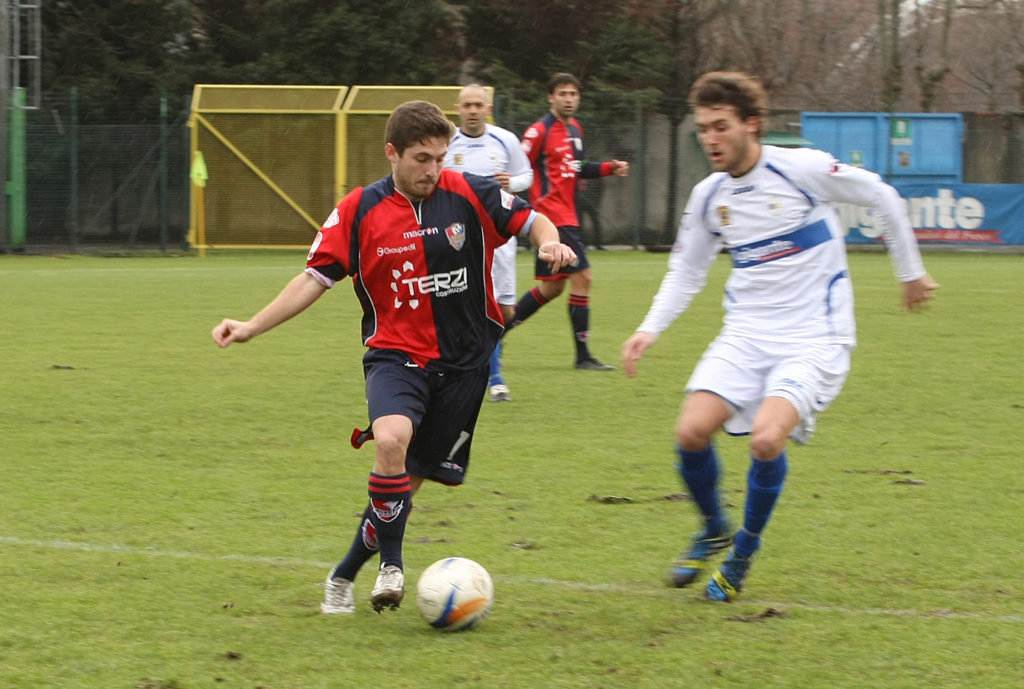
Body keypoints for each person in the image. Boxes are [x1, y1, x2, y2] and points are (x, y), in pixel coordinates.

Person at [211, 101, 576, 615]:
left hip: (464, 366)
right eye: (421, 158)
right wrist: (251, 326)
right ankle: (393, 567)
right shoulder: (359, 210)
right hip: (395, 356)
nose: (432, 169)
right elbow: (313, 278)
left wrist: (551, 243)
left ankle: (342, 574)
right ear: (392, 153)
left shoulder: (468, 191)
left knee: (404, 487)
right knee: (390, 441)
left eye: (440, 158)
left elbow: (533, 219)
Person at [621, 72, 938, 602]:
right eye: (702, 129)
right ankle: (713, 528)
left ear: (752, 124)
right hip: (746, 335)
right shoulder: (708, 197)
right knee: (691, 431)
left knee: (768, 438)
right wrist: (648, 329)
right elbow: (687, 270)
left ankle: (743, 552)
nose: (711, 139)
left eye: (720, 126)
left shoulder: (801, 169)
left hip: (814, 336)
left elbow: (882, 195)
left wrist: (909, 272)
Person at [504, 72, 629, 370]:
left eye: (573, 94)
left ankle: (496, 332)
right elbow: (519, 165)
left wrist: (608, 168)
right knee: (583, 278)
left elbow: (576, 166)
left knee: (552, 289)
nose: (569, 99)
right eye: (563, 93)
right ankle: (583, 356)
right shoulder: (539, 131)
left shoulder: (575, 129)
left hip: (567, 217)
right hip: (551, 219)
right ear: (551, 97)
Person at [444, 84, 533, 403]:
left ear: (487, 107)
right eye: (467, 104)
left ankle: (488, 354)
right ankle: (493, 378)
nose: (472, 110)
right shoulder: (447, 141)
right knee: (462, 304)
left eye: (478, 104)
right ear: (458, 108)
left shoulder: (505, 139)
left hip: (499, 236)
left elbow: (527, 176)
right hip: (457, 237)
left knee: (505, 310)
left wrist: (514, 183)